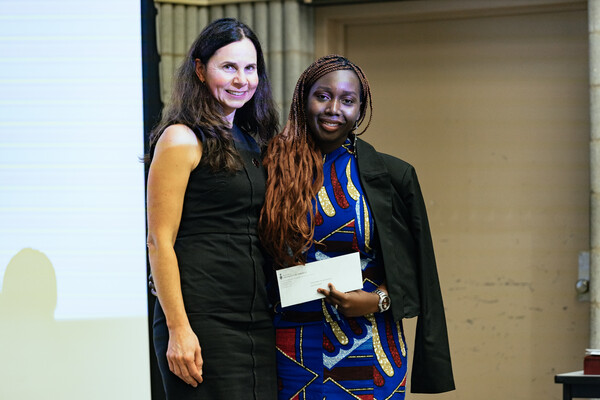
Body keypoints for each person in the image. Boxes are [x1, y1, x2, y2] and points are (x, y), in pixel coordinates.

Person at [259, 55, 455, 399]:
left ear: (360, 109)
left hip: (370, 344)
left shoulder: (392, 176)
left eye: (347, 100)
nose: (334, 108)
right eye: (322, 96)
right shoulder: (270, 167)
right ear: (303, 99)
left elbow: (415, 270)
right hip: (291, 349)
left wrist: (377, 300)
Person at [146, 18, 279, 399]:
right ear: (201, 70)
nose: (242, 79)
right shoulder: (181, 138)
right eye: (229, 67)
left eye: (250, 68)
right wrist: (178, 329)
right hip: (201, 321)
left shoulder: (254, 142)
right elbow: (159, 241)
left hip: (256, 320)